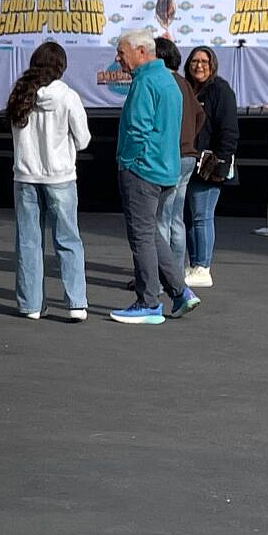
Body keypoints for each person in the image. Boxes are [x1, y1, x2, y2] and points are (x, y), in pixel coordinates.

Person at [109, 30, 195, 324]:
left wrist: (126, 161)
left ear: (141, 52)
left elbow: (137, 129)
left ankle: (148, 302)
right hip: (165, 169)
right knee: (151, 233)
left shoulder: (145, 81)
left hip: (143, 170)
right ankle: (181, 292)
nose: (117, 57)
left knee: (142, 237)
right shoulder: (169, 81)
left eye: (121, 52)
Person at [5, 41, 90, 320]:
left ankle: (30, 304)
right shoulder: (68, 97)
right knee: (68, 239)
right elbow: (84, 139)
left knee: (28, 241)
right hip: (61, 177)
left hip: (26, 176)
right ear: (61, 67)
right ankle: (76, 302)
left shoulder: (20, 93)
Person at [182, 47, 241, 288]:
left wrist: (220, 161)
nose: (199, 65)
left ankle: (203, 267)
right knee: (188, 217)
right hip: (187, 162)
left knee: (202, 216)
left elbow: (229, 131)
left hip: (210, 166)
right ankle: (194, 263)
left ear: (213, 64)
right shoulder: (186, 87)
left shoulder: (221, 90)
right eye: (195, 61)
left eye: (204, 61)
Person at [154, 35, 192, 271]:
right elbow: (199, 115)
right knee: (176, 219)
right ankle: (175, 275)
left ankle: (160, 278)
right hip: (187, 154)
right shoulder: (184, 83)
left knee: (161, 220)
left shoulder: (162, 83)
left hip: (170, 156)